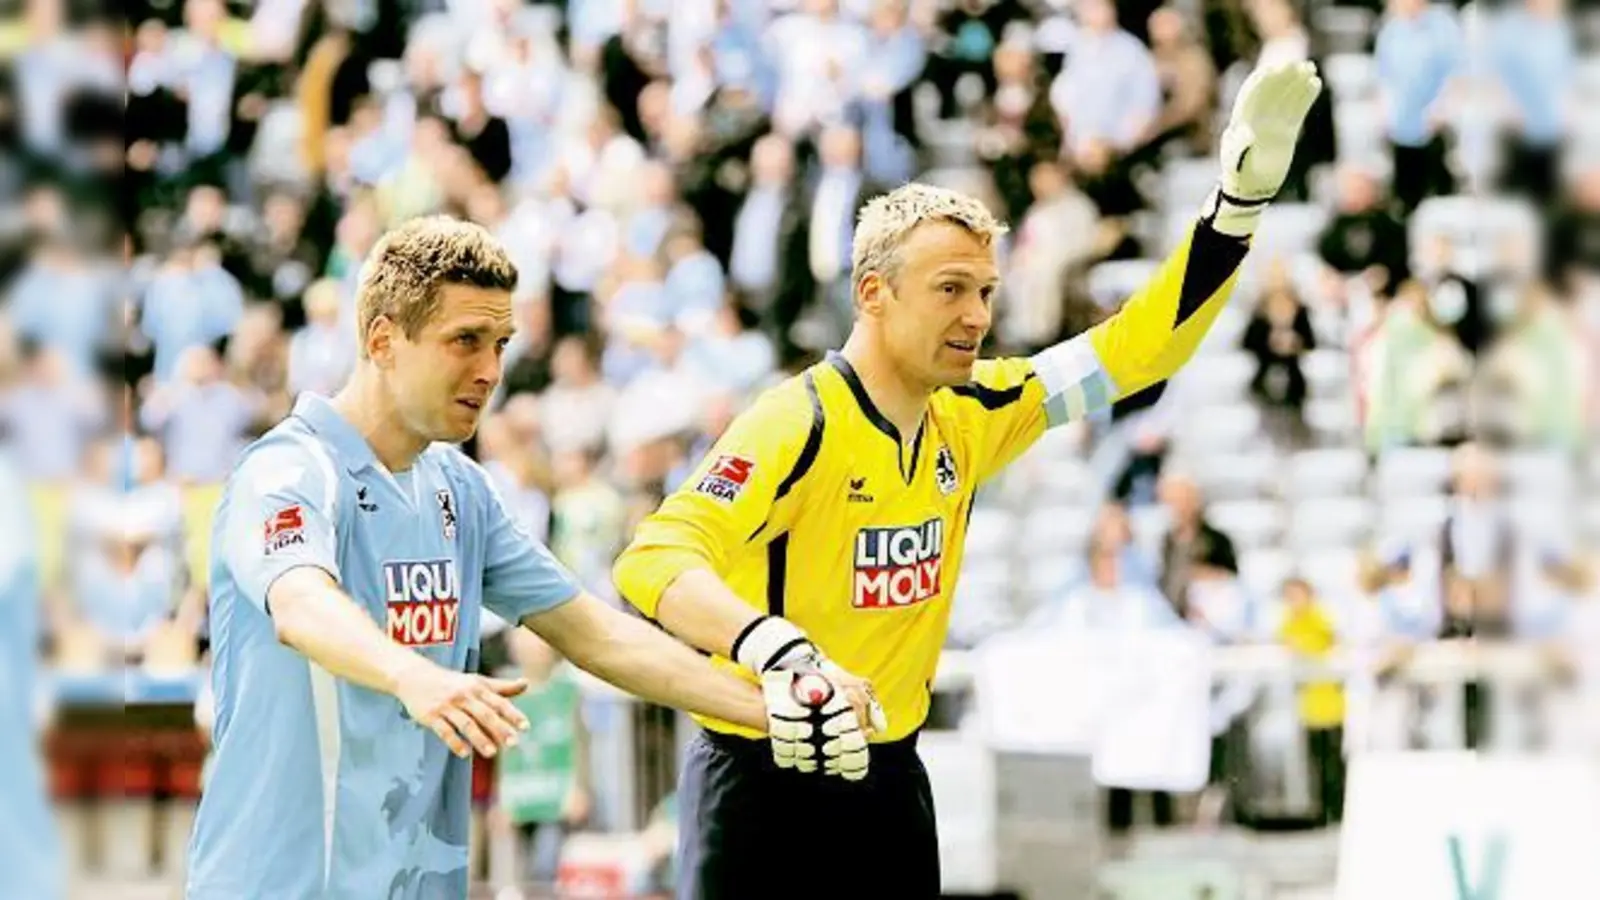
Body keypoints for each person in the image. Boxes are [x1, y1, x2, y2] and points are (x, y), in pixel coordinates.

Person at [612, 61, 1323, 899]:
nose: (978, 316)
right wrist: (778, 649)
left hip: (887, 782)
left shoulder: (977, 409)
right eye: (951, 289)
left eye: (985, 290)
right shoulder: (796, 423)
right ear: (873, 294)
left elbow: (1137, 351)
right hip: (760, 779)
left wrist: (1233, 213)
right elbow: (652, 561)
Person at [184, 217, 856, 899]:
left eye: (501, 344)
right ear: (382, 340)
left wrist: (774, 710)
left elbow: (595, 634)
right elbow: (300, 603)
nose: (491, 371)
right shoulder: (290, 470)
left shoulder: (460, 489)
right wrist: (413, 675)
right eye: (465, 341)